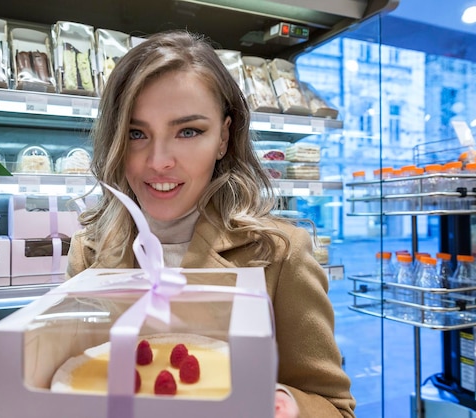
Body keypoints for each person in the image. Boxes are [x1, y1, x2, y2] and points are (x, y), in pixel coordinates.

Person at [66, 29, 356, 418]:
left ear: (224, 136)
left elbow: (335, 408)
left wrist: (286, 404)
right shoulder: (88, 251)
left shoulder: (280, 256)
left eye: (188, 131)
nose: (159, 161)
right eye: (137, 133)